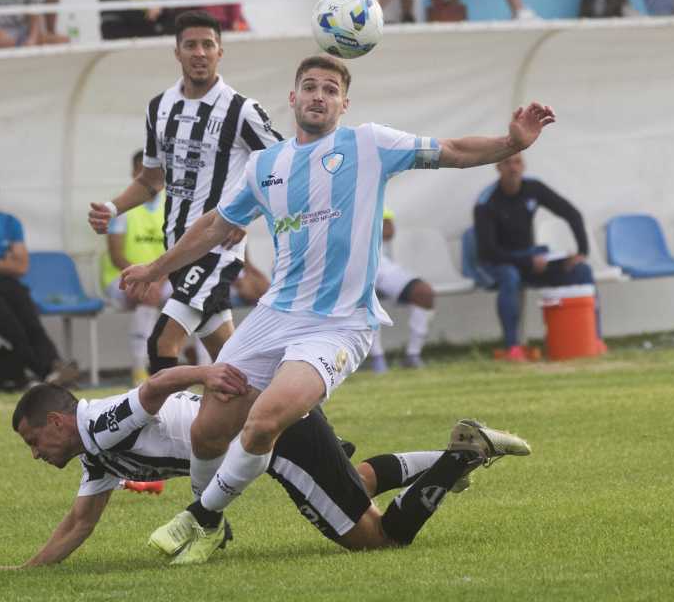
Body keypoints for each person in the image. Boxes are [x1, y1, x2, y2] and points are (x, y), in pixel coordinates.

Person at [119, 54, 555, 564]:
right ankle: (209, 513)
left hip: (337, 324)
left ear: (344, 103)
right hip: (273, 317)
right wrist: (155, 268)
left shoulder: (368, 144)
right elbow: (215, 225)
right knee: (208, 429)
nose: (319, 96)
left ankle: (204, 520)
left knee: (265, 421)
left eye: (330, 89)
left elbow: (452, 150)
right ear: (292, 98)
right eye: (309, 86)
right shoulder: (266, 165)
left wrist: (510, 144)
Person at [5, 375, 531, 566]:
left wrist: (206, 373)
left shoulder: (95, 422)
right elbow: (79, 523)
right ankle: (451, 459)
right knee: (359, 487)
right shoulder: (96, 451)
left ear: (56, 420)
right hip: (275, 425)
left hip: (275, 437)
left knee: (375, 539)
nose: (35, 454)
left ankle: (462, 455)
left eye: (34, 441)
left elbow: (155, 386)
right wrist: (27, 572)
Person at [87, 9, 282, 379]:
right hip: (177, 246)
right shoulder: (159, 108)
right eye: (190, 44)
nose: (199, 52)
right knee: (234, 361)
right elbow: (150, 180)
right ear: (176, 52)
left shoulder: (242, 111)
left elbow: (285, 165)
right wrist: (113, 208)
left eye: (208, 44)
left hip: (216, 248)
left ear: (220, 52)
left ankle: (163, 429)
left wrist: (247, 212)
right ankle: (302, 430)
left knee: (162, 342)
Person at [0, 167, 78, 386]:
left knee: (32, 324)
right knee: (15, 331)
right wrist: (5, 263)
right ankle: (48, 373)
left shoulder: (11, 223)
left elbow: (21, 267)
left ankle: (55, 367)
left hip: (8, 285)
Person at [472, 153, 594, 362]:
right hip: (494, 263)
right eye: (507, 163)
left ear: (524, 166)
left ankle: (590, 340)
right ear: (498, 167)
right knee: (510, 276)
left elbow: (572, 214)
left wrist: (582, 252)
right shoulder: (486, 201)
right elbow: (488, 251)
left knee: (581, 271)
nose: (513, 168)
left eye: (517, 162)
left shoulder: (533, 188)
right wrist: (527, 261)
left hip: (528, 257)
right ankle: (513, 348)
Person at [101, 150, 172, 384]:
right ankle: (141, 368)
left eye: (154, 169)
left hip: (160, 278)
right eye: (142, 170)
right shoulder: (122, 208)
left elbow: (178, 252)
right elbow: (116, 256)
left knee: (193, 295)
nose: (149, 175)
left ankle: (202, 363)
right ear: (134, 174)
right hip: (121, 279)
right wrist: (145, 277)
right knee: (145, 295)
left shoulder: (171, 205)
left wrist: (156, 277)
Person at [365, 207, 436, 372]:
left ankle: (413, 356)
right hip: (343, 266)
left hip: (378, 263)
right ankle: (377, 358)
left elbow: (388, 229)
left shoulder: (369, 190)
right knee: (363, 295)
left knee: (424, 293)